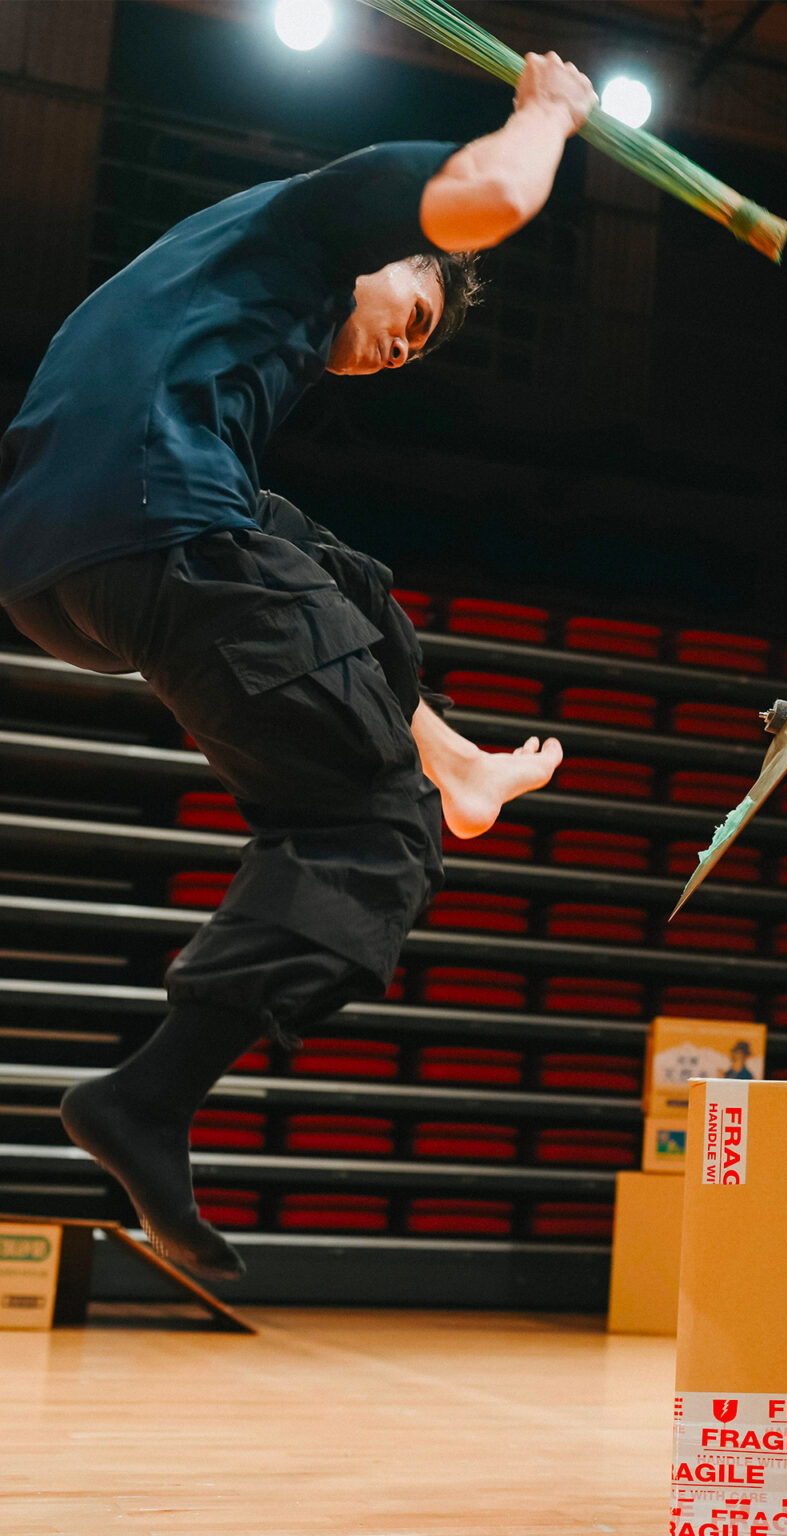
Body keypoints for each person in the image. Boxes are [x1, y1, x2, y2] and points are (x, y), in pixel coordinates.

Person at [0, 53, 597, 1280]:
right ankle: (148, 1100)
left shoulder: (214, 286)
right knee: (370, 831)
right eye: (414, 320)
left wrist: (438, 741)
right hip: (157, 528)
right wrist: (548, 115)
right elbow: (487, 196)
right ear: (391, 254)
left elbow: (317, 597)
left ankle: (455, 758)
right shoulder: (333, 211)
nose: (397, 350)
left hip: (55, 566)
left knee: (334, 569)